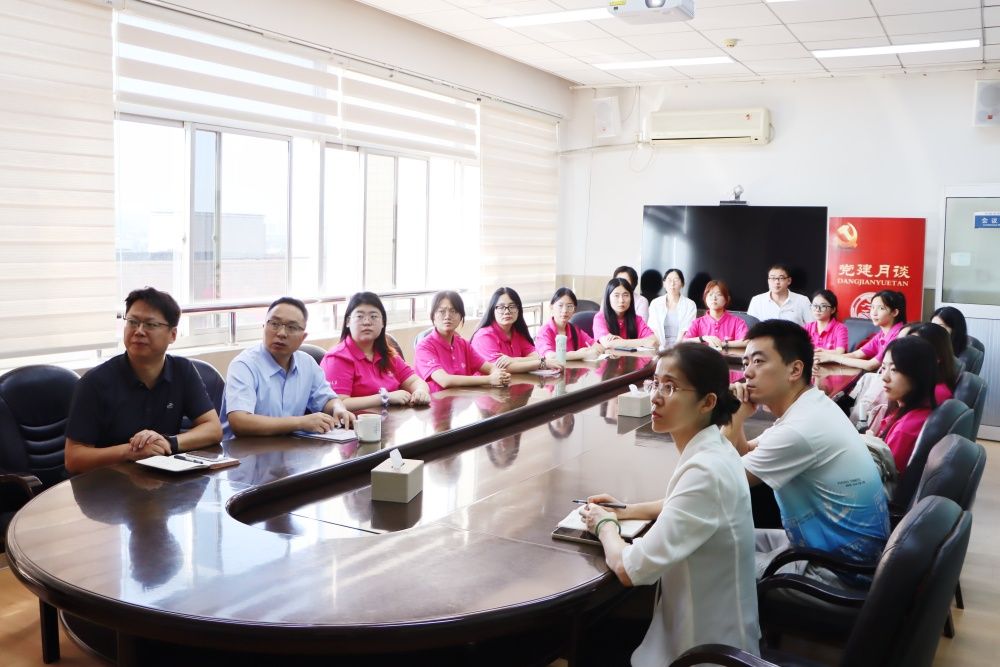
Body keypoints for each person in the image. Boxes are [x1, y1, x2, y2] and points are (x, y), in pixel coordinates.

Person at [580, 344, 760, 665]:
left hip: (703, 654)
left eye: (670, 387)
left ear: (707, 402)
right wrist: (625, 510)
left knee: (589, 638)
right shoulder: (716, 448)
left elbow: (629, 569)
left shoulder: (705, 471)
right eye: (655, 383)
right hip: (718, 635)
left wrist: (604, 526)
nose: (655, 397)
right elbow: (683, 505)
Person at [723, 320, 890, 582]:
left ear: (795, 369)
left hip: (838, 569)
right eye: (745, 363)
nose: (748, 373)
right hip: (830, 550)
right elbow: (744, 452)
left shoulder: (799, 429)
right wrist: (738, 418)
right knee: (715, 540)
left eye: (758, 362)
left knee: (704, 559)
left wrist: (730, 420)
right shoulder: (812, 405)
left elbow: (716, 482)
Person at [64, 287, 223, 473]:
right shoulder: (95, 382)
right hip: (107, 482)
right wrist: (130, 451)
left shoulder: (183, 370)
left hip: (163, 480)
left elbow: (213, 429)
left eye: (150, 325)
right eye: (132, 322)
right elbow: (73, 458)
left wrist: (169, 442)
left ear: (172, 335)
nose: (139, 331)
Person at [222, 297, 355, 439]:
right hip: (245, 449)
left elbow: (326, 399)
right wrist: (300, 422)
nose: (281, 333)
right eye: (274, 324)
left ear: (303, 337)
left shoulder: (307, 363)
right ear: (264, 327)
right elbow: (240, 422)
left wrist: (338, 408)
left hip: (290, 447)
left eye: (291, 327)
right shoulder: (244, 365)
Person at [320, 292, 431, 411]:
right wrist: (385, 397)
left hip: (391, 420)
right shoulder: (337, 358)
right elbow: (336, 404)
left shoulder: (387, 354)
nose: (367, 322)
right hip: (355, 422)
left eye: (373, 316)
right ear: (348, 321)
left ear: (383, 322)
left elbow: (414, 380)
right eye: (360, 316)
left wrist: (421, 391)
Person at [414, 291, 510, 393]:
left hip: (463, 399)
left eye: (453, 311)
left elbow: (489, 368)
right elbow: (444, 380)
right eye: (442, 311)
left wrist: (500, 374)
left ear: (461, 316)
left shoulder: (463, 344)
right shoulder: (424, 347)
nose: (447, 316)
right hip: (435, 401)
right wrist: (489, 379)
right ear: (433, 316)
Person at [873, 336, 938, 475]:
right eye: (883, 368)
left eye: (894, 369)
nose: (884, 377)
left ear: (918, 375)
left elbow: (884, 476)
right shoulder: (918, 410)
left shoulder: (904, 429)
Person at [471, 287, 558, 373]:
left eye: (512, 306)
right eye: (501, 307)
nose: (507, 311)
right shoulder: (484, 336)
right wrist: (542, 364)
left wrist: (513, 360)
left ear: (518, 310)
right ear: (492, 310)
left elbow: (536, 356)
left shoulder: (516, 333)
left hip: (516, 381)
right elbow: (499, 368)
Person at [815, 290, 906, 371]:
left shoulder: (900, 335)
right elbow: (856, 355)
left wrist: (832, 358)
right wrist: (827, 357)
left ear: (894, 312)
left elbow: (870, 365)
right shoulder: (881, 334)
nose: (874, 313)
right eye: (872, 307)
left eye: (881, 308)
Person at [535, 288, 603, 362]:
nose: (565, 310)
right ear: (551, 307)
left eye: (569, 306)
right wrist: (580, 354)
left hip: (574, 369)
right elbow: (550, 357)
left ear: (574, 310)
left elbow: (598, 347)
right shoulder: (544, 332)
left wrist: (595, 350)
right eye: (560, 305)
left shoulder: (574, 330)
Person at [681, 280, 748, 352]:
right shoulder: (697, 323)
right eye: (710, 294)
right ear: (705, 298)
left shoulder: (738, 322)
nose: (714, 298)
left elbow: (746, 342)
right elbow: (684, 342)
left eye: (719, 294)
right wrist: (703, 338)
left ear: (727, 299)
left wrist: (722, 344)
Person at [592, 277, 658, 348]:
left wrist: (620, 342)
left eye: (625, 295)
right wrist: (643, 342)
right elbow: (608, 344)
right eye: (616, 295)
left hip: (633, 355)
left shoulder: (637, 319)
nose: (621, 300)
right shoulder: (600, 318)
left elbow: (654, 342)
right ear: (608, 298)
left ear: (631, 298)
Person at [906, 322, 958, 404]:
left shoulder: (934, 394)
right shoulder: (919, 383)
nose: (904, 352)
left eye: (914, 348)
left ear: (937, 356)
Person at [747, 263, 813, 326]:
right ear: (768, 281)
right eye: (773, 278)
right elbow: (750, 328)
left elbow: (813, 326)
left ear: (789, 281)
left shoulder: (803, 300)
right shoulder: (757, 301)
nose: (777, 282)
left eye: (781, 278)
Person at [647, 268, 698, 348]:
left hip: (681, 348)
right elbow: (654, 329)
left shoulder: (690, 304)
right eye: (669, 280)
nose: (672, 283)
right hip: (659, 347)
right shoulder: (655, 303)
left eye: (676, 280)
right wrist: (660, 349)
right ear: (664, 283)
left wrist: (675, 350)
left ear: (682, 284)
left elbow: (686, 331)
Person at [805, 289, 848, 353]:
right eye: (815, 305)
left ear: (833, 310)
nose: (817, 309)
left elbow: (840, 352)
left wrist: (822, 352)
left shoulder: (840, 328)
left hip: (831, 360)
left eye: (823, 306)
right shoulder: (807, 327)